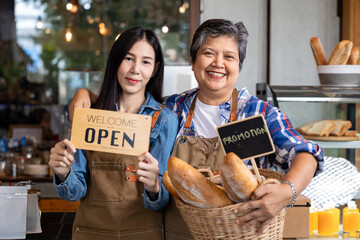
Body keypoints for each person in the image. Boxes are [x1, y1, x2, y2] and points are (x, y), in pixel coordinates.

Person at [68, 19, 324, 239]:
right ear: (193, 61)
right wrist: (86, 95)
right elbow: (129, 100)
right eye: (209, 53)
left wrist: (286, 191)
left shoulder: (260, 113)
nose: (218, 63)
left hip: (242, 233)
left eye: (229, 56)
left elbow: (307, 154)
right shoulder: (171, 108)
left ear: (239, 65)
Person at [49, 27, 179, 240]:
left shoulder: (165, 120)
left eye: (145, 62)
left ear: (154, 69)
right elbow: (74, 192)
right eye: (128, 58)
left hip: (144, 234)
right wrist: (63, 172)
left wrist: (154, 185)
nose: (135, 69)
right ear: (115, 61)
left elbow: (163, 202)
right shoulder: (89, 114)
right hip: (90, 233)